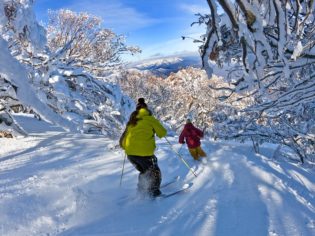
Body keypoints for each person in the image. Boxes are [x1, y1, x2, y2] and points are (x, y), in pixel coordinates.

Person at [120, 98, 167, 198]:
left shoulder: (132, 121)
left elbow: (123, 140)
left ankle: (142, 189)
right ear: (146, 109)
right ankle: (154, 192)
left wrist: (127, 147)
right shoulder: (150, 119)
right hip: (145, 154)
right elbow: (163, 133)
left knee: (144, 171)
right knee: (155, 171)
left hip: (130, 154)